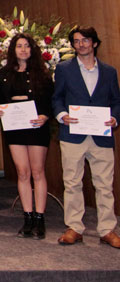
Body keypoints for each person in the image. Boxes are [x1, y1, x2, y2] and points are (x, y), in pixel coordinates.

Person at [52, 26, 120, 248]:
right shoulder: (63, 69)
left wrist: (114, 119)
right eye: (76, 41)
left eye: (85, 40)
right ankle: (74, 227)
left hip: (101, 135)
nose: (81, 44)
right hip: (73, 135)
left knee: (104, 185)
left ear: (95, 43)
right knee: (72, 183)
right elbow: (57, 98)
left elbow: (116, 102)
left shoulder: (109, 72)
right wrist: (62, 115)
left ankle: (107, 229)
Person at [0, 33, 53, 239]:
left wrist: (45, 116)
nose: (23, 50)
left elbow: (49, 101)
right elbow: (1, 100)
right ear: (13, 50)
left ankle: (40, 217)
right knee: (22, 172)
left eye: (27, 46)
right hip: (14, 127)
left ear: (33, 49)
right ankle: (27, 216)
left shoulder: (42, 73)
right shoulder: (4, 73)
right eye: (19, 46)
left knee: (37, 171)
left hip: (36, 127)